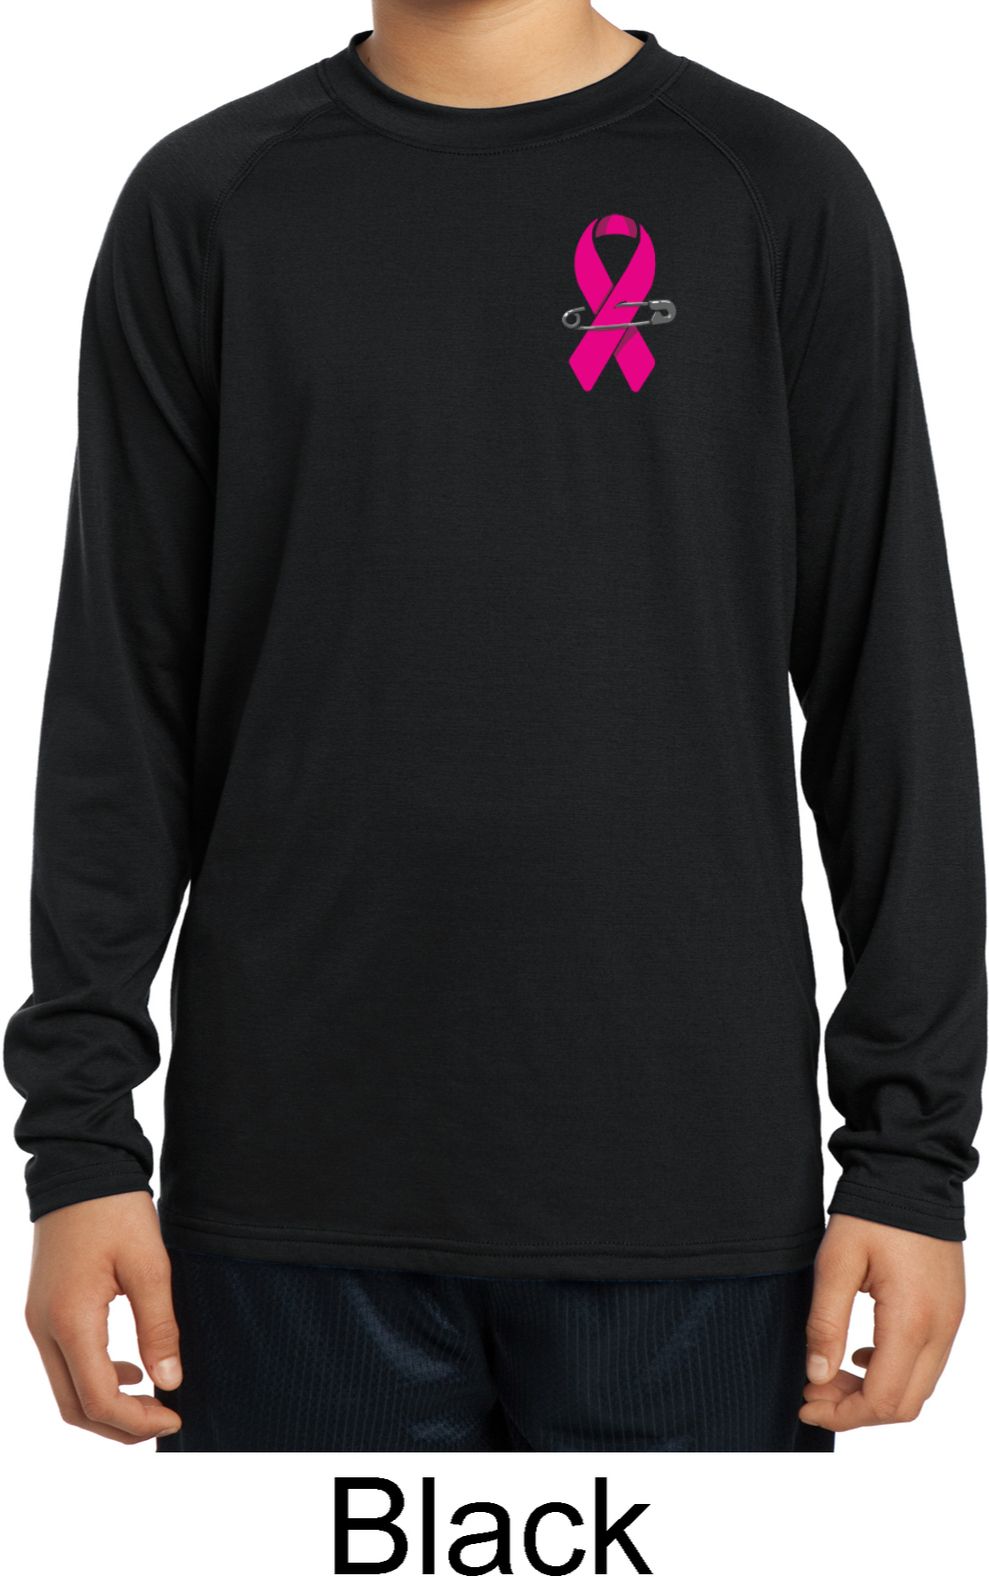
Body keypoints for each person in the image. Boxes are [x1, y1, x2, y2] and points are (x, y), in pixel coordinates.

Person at [5, 0, 984, 1453]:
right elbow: (120, 702)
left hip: (691, 1199)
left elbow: (885, 693)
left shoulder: (772, 189)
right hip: (290, 1196)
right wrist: (80, 1145)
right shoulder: (208, 201)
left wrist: (910, 1158)